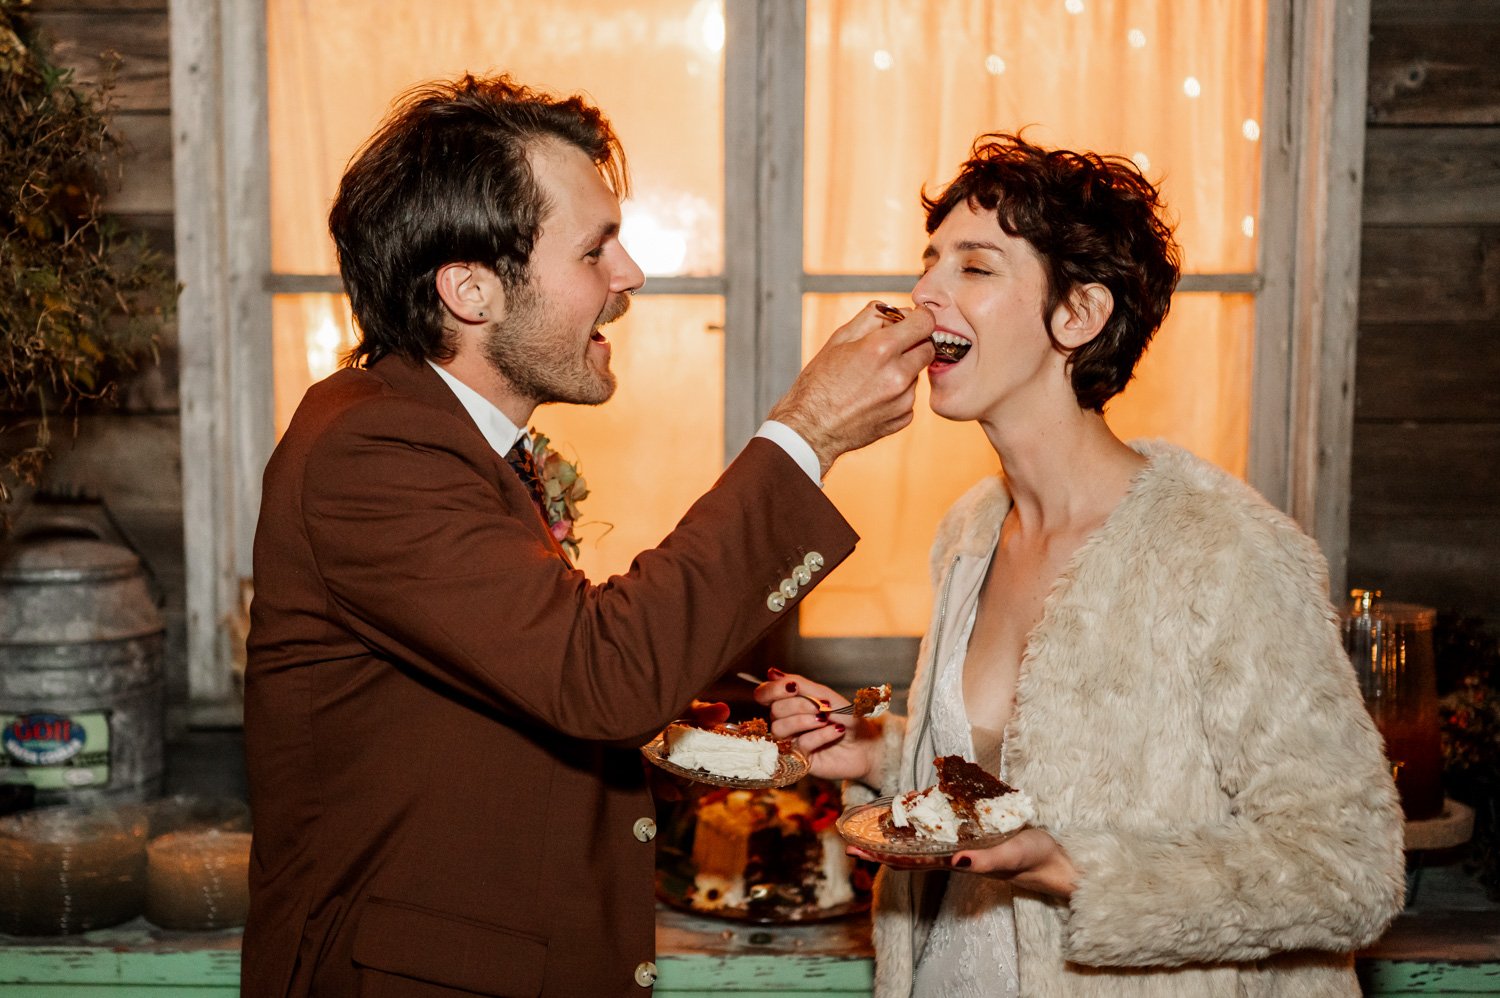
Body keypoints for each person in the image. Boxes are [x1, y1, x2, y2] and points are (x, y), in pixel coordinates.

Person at [242, 74, 935, 998]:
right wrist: (805, 435)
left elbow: (516, 690)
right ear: (471, 290)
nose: (630, 275)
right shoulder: (369, 449)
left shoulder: (457, 440)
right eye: (594, 249)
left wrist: (704, 739)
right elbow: (599, 675)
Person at [757, 133, 1405, 996]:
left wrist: (1075, 869)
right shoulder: (971, 531)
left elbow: (1349, 870)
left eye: (975, 269)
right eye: (930, 262)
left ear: (1079, 316)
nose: (924, 294)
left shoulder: (1226, 552)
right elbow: (1020, 773)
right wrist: (879, 753)